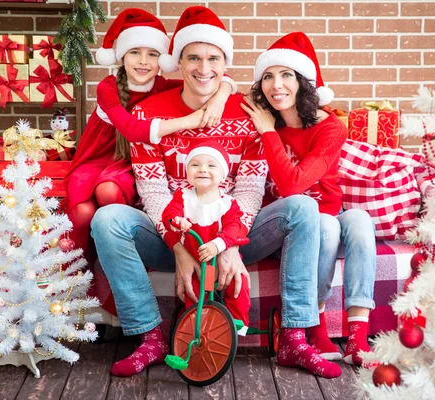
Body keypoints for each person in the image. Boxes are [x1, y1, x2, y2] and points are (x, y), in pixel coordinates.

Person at [91, 6, 340, 379]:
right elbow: (154, 191)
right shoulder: (148, 115)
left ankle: (293, 338)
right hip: (173, 235)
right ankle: (149, 336)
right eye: (193, 57)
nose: (203, 67)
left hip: (233, 235)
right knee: (107, 219)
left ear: (226, 64)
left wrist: (232, 243)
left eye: (213, 58)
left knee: (302, 207)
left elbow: (251, 187)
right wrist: (179, 246)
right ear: (178, 62)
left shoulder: (248, 113)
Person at [63, 8, 236, 281]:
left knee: (109, 193)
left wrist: (221, 96)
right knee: (83, 211)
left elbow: (210, 77)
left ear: (163, 60)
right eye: (134, 52)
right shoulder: (108, 87)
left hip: (129, 161)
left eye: (152, 54)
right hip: (99, 157)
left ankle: (126, 250)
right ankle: (77, 276)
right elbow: (132, 129)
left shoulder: (163, 85)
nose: (143, 62)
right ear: (120, 56)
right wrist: (189, 121)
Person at [242, 32, 377, 367]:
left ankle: (358, 338)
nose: (277, 85)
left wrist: (268, 133)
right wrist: (267, 130)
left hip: (329, 212)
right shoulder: (258, 120)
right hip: (284, 225)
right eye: (269, 76)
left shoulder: (330, 127)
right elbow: (289, 193)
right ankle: (313, 325)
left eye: (287, 75)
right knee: (325, 225)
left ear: (303, 82)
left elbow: (295, 181)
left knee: (359, 220)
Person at [162, 141, 250, 336]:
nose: (202, 170)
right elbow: (169, 212)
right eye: (195, 165)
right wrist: (176, 220)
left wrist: (218, 245)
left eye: (211, 165)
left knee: (239, 285)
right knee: (194, 293)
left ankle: (237, 325)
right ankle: (196, 329)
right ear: (187, 172)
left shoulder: (227, 203)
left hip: (220, 257)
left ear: (223, 174)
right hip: (196, 261)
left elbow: (235, 228)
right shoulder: (183, 197)